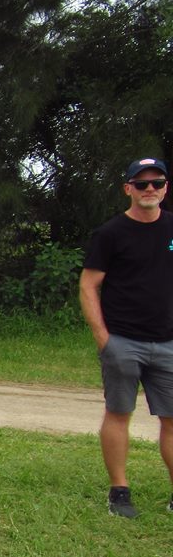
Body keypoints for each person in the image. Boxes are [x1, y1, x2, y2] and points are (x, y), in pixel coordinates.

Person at [79, 157, 173, 518]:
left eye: (157, 183)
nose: (150, 189)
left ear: (166, 188)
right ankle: (119, 491)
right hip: (122, 341)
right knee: (119, 413)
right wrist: (103, 337)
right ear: (128, 189)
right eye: (141, 183)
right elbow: (88, 285)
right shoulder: (111, 233)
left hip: (167, 341)